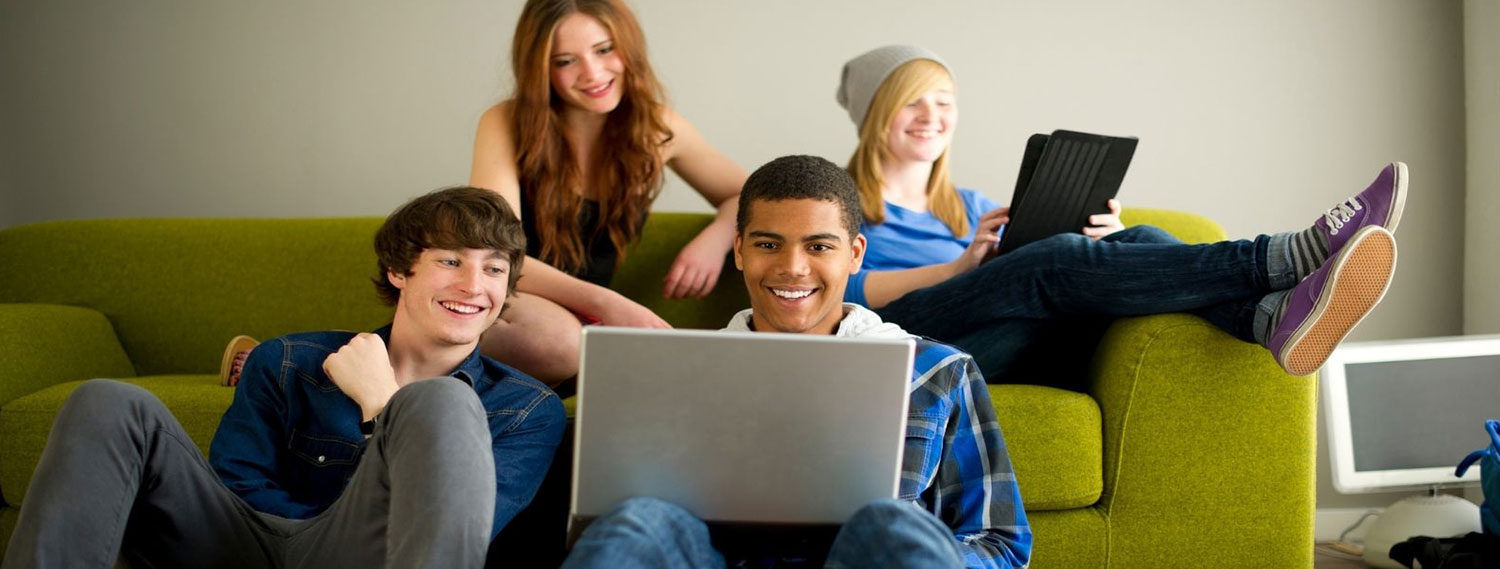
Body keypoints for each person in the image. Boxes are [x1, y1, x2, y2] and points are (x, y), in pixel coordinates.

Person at [3, 187, 566, 568]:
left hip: (368, 555)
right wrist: (306, 536)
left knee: (441, 401)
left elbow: (460, 534)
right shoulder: (290, 360)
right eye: (451, 261)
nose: (475, 284)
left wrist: (381, 402)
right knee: (106, 401)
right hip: (245, 541)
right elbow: (237, 484)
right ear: (399, 271)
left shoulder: (525, 410)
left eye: (494, 269)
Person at [560, 155, 1032, 569]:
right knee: (638, 521)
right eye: (768, 244)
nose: (793, 267)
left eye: (819, 246)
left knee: (889, 520)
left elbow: (1001, 542)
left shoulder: (936, 370)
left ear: (855, 254)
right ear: (739, 251)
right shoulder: (669, 369)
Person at [835, 45, 1403, 380]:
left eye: (944, 102)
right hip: (904, 346)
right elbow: (841, 295)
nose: (932, 115)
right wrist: (961, 269)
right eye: (913, 100)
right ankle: (1285, 256)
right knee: (1052, 263)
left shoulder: (973, 209)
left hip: (1008, 341)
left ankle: (1268, 320)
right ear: (874, 112)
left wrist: (1105, 243)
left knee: (1139, 237)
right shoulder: (834, 204)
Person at [467, 0, 749, 386]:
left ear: (627, 47)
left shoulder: (656, 126)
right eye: (566, 61)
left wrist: (715, 240)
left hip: (579, 327)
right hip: (504, 299)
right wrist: (607, 304)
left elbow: (751, 197)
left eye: (604, 49)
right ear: (541, 69)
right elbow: (495, 253)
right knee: (560, 340)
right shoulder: (505, 122)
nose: (593, 73)